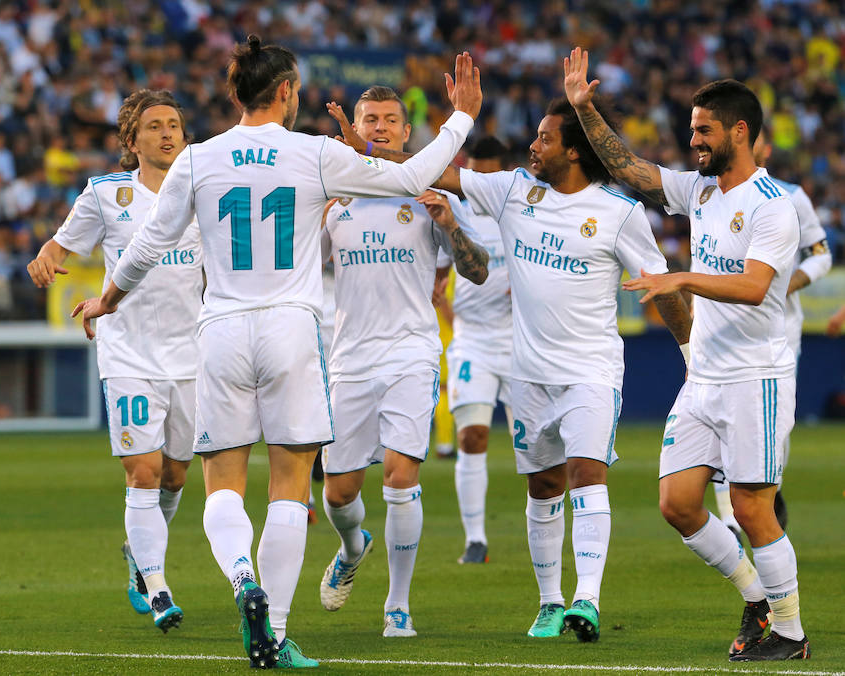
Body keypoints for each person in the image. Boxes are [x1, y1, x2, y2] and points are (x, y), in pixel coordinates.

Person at [72, 36, 482, 669]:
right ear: (287, 91)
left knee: (222, 484)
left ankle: (243, 580)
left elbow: (150, 244)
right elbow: (407, 176)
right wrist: (462, 116)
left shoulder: (199, 158)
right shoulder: (314, 154)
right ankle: (278, 632)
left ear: (235, 93)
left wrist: (108, 299)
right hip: (292, 329)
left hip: (222, 329)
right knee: (290, 486)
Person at [328, 95, 692, 643]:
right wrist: (368, 149)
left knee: (586, 475)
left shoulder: (620, 213)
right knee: (543, 486)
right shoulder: (515, 190)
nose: (532, 146)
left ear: (574, 151)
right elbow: (442, 173)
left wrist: (692, 355)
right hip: (528, 373)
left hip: (591, 370)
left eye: (544, 139)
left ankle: (586, 599)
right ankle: (549, 602)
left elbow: (662, 284)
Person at [564, 47, 810, 661]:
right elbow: (633, 170)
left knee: (753, 509)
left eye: (704, 129)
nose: (692, 139)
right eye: (692, 128)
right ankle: (756, 598)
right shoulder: (700, 191)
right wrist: (585, 110)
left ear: (739, 131)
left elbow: (756, 287)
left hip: (756, 377)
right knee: (677, 504)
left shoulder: (773, 204)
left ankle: (791, 633)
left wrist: (682, 279)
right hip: (704, 375)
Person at [317, 85, 489, 638]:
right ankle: (352, 546)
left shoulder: (429, 194)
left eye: (392, 120)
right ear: (356, 128)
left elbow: (479, 270)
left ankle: (398, 605)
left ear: (408, 133)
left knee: (399, 477)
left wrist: (450, 226)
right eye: (371, 119)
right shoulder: (332, 199)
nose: (381, 128)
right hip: (349, 359)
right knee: (339, 493)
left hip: (411, 353)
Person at [27, 89, 201, 634]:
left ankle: (137, 554)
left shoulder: (202, 189)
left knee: (175, 474)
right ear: (132, 140)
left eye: (174, 124)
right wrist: (45, 259)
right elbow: (60, 246)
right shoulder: (107, 193)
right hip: (126, 350)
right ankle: (157, 586)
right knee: (143, 472)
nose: (168, 133)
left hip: (192, 353)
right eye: (154, 126)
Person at [712, 127, 832, 536]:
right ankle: (729, 517)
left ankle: (766, 495)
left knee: (774, 426)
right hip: (721, 327)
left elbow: (821, 253)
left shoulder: (790, 196)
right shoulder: (710, 190)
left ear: (759, 145)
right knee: (714, 415)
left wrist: (788, 284)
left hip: (778, 329)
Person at [434, 135, 513, 565]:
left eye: (489, 173)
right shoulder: (454, 208)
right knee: (472, 436)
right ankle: (476, 538)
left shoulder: (520, 210)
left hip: (521, 341)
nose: (480, 181)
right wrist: (453, 320)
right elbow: (439, 279)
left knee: (536, 445)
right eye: (475, 172)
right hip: (473, 341)